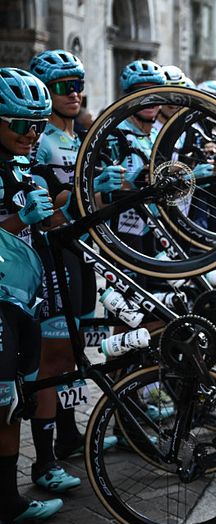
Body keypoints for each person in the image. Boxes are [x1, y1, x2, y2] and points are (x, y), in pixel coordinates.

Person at [28, 49, 122, 478]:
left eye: (79, 83)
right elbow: (49, 209)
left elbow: (91, 203)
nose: (75, 93)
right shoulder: (39, 141)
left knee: (74, 352)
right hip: (52, 255)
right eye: (65, 86)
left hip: (83, 253)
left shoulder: (78, 138)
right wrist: (88, 192)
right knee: (53, 356)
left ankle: (69, 434)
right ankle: (45, 460)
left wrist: (108, 189)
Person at [0, 67, 64, 524]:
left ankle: (8, 500)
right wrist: (20, 217)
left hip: (22, 298)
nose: (31, 135)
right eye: (20, 125)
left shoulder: (24, 166)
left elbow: (56, 220)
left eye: (39, 126)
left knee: (11, 407)